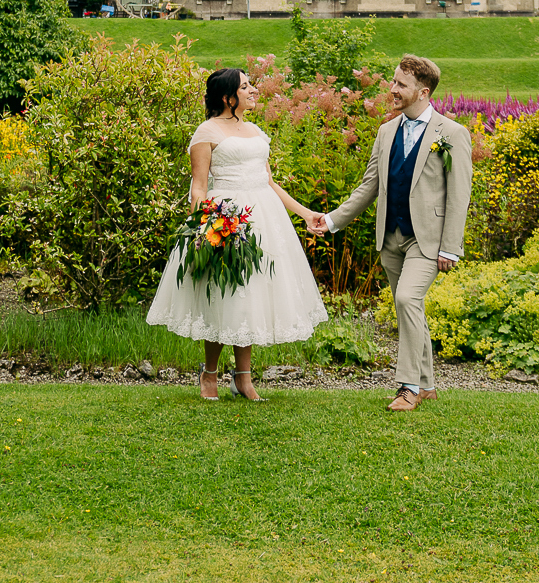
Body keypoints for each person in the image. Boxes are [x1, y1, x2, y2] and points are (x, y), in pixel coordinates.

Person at [146, 67, 329, 401]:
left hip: (263, 220)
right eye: (245, 87)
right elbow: (199, 186)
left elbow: (269, 183)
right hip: (224, 219)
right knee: (222, 293)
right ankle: (210, 374)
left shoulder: (256, 131)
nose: (254, 90)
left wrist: (306, 213)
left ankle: (243, 379)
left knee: (250, 295)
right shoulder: (206, 131)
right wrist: (202, 228)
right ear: (227, 97)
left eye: (251, 85)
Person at [308, 55, 471, 412]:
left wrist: (450, 248)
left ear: (423, 91)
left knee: (407, 300)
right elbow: (368, 187)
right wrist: (332, 221)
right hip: (392, 238)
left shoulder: (452, 134)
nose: (392, 90)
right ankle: (427, 384)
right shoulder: (386, 132)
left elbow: (460, 194)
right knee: (409, 309)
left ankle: (408, 388)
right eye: (393, 82)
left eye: (400, 84)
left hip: (427, 240)